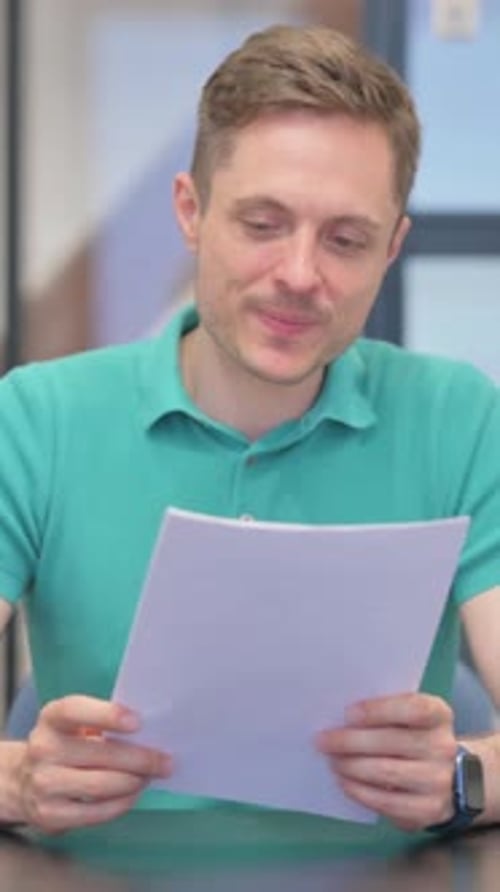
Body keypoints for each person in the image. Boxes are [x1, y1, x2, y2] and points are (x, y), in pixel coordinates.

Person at [0, 23, 499, 840]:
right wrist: (20, 779)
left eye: (346, 240)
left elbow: (481, 771)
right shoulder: (37, 419)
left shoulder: (459, 417)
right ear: (191, 212)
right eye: (263, 223)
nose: (300, 275)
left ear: (392, 249)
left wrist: (467, 778)